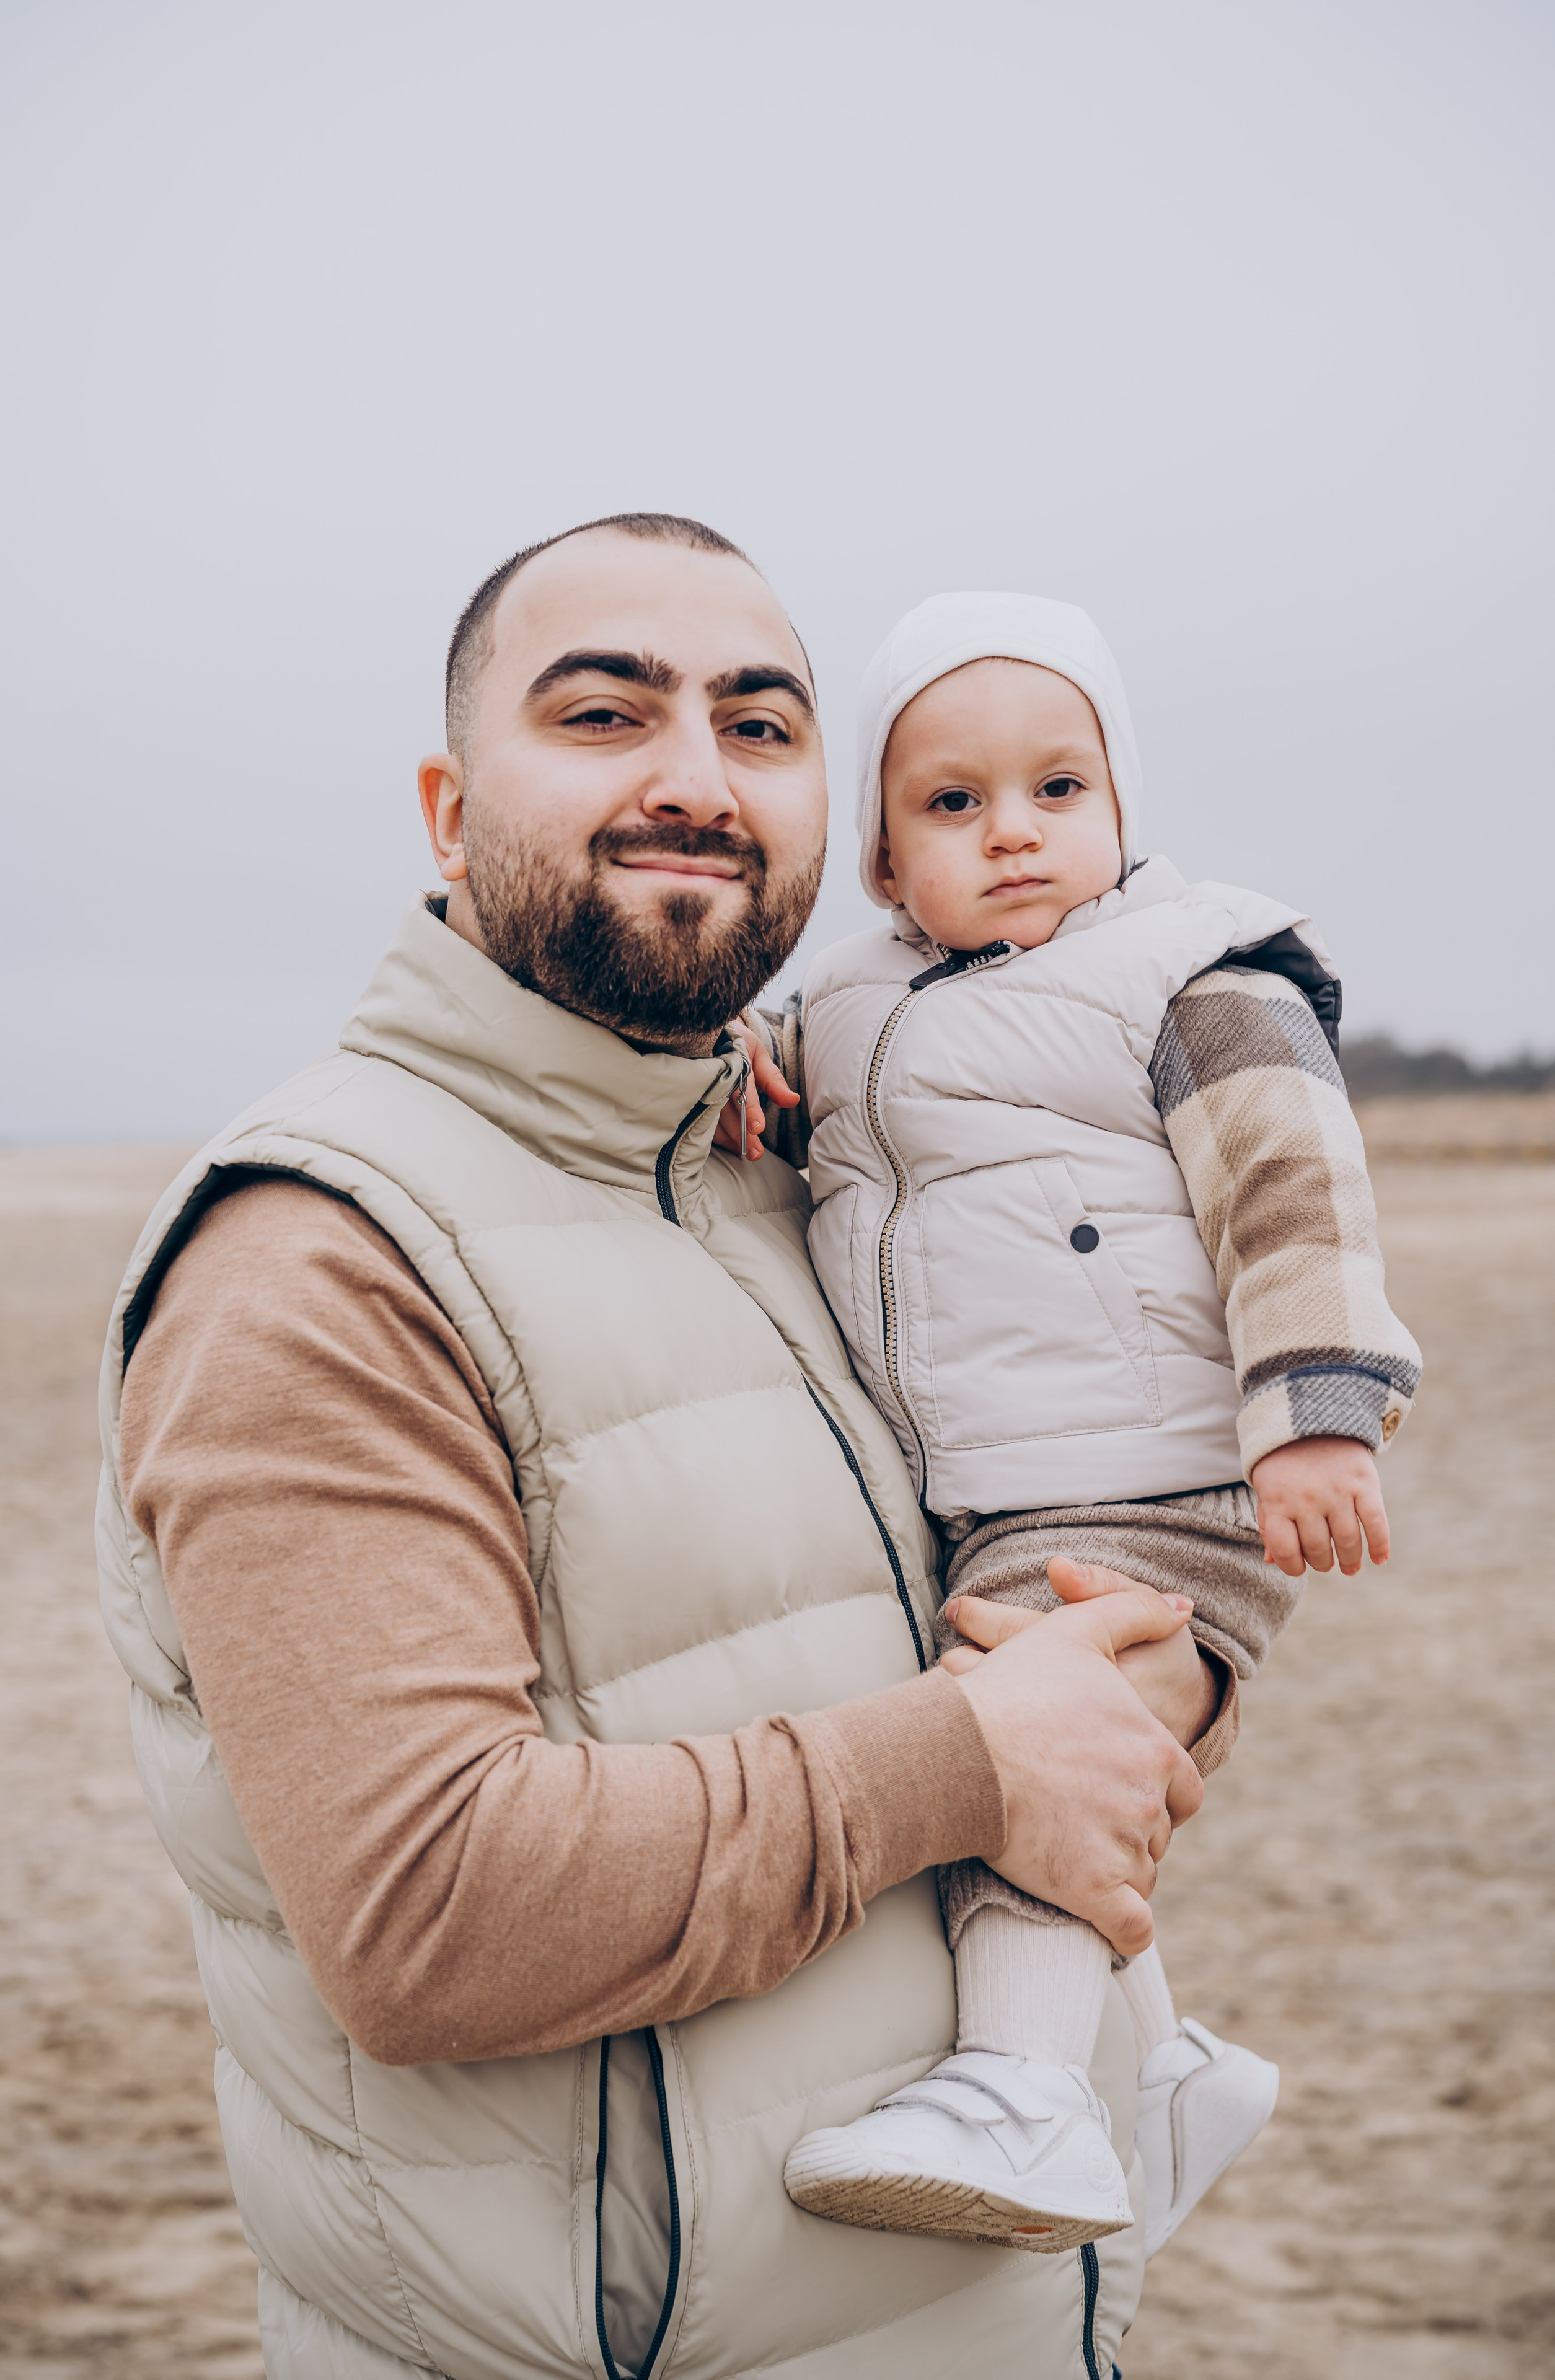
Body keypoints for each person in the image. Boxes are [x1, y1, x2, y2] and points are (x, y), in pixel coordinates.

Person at [95, 521, 1212, 2380]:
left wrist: (1139, 1679)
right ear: (449, 814)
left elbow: (1035, 1634)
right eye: (607, 713)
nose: (697, 780)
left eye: (761, 728)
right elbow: (426, 1915)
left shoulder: (799, 1180)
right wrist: (970, 1761)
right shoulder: (319, 1259)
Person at [723, 592, 1421, 2259]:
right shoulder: (852, 1006)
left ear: (1122, 805)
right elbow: (783, 1096)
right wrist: (734, 1069)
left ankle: (1026, 2086)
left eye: (1059, 790)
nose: (1014, 834)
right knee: (1068, 1750)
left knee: (1022, 1746)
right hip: (996, 1494)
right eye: (952, 805)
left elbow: (1297, 1195)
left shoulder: (1189, 975)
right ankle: (1166, 2072)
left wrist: (1315, 1416)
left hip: (1166, 1489)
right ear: (884, 862)